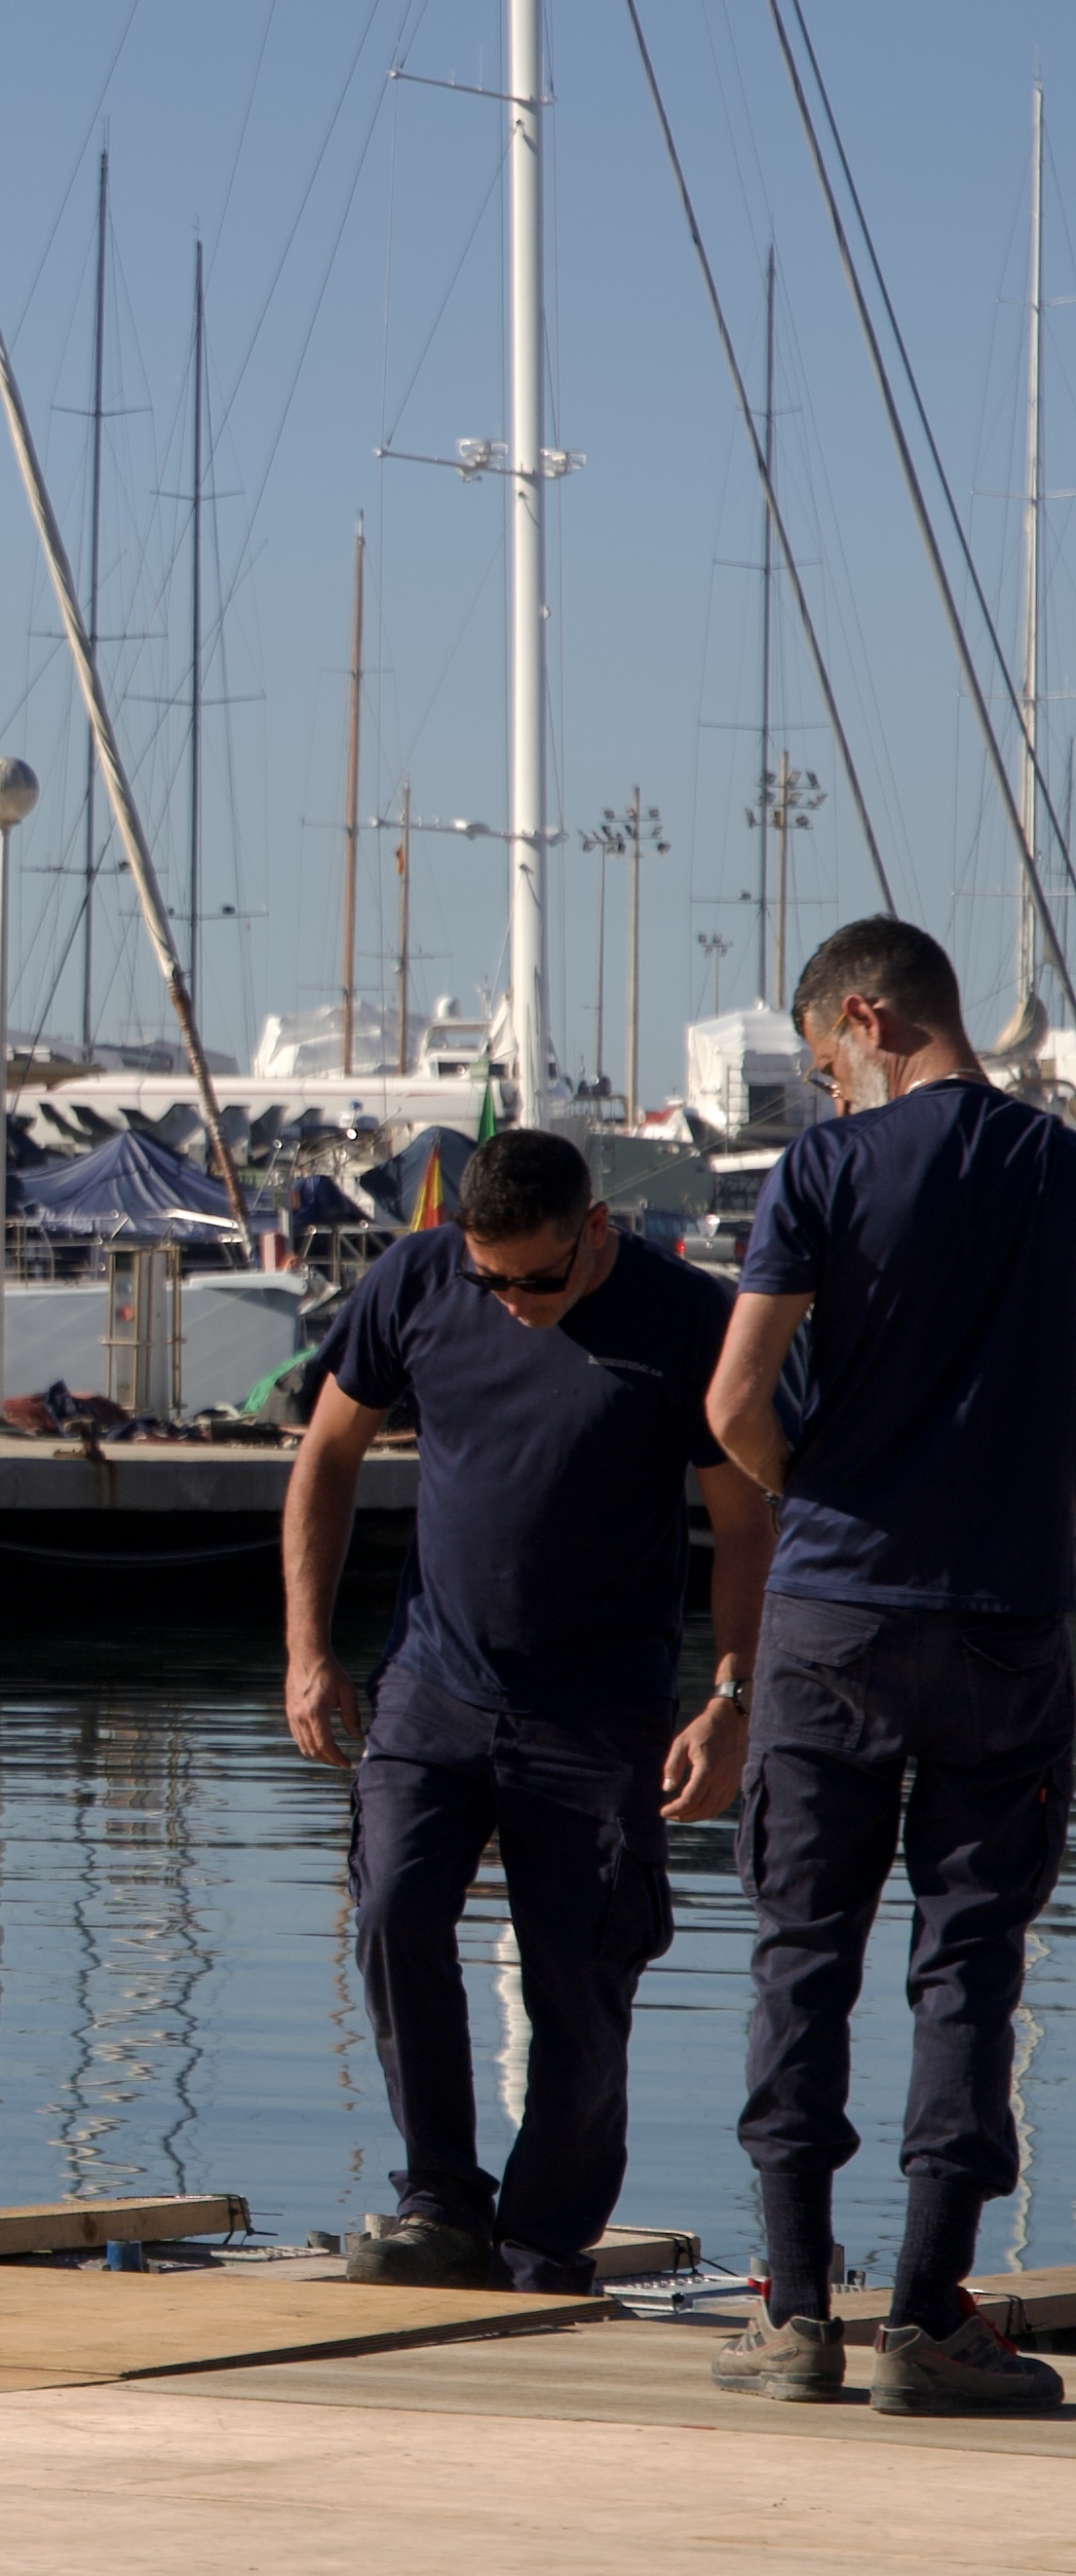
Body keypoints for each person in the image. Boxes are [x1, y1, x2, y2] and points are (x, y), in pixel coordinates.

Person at [284, 1124, 767, 2294]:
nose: (510, 1302)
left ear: (595, 1230)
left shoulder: (683, 1319)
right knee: (393, 1907)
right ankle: (439, 2200)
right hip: (432, 1685)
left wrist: (731, 1700)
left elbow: (746, 1525)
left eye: (537, 1279)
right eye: (488, 1278)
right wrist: (308, 1648)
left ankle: (546, 2237)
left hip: (598, 1711)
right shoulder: (418, 1280)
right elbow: (327, 1457)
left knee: (579, 1982)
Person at [701, 917, 1076, 2418]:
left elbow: (733, 1400)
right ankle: (929, 2319)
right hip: (1011, 1615)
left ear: (865, 1016)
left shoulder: (829, 1172)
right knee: (969, 1959)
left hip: (835, 1613)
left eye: (823, 1065)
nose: (828, 1092)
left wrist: (818, 1493)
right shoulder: (1059, 1170)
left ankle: (794, 2314)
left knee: (805, 1950)